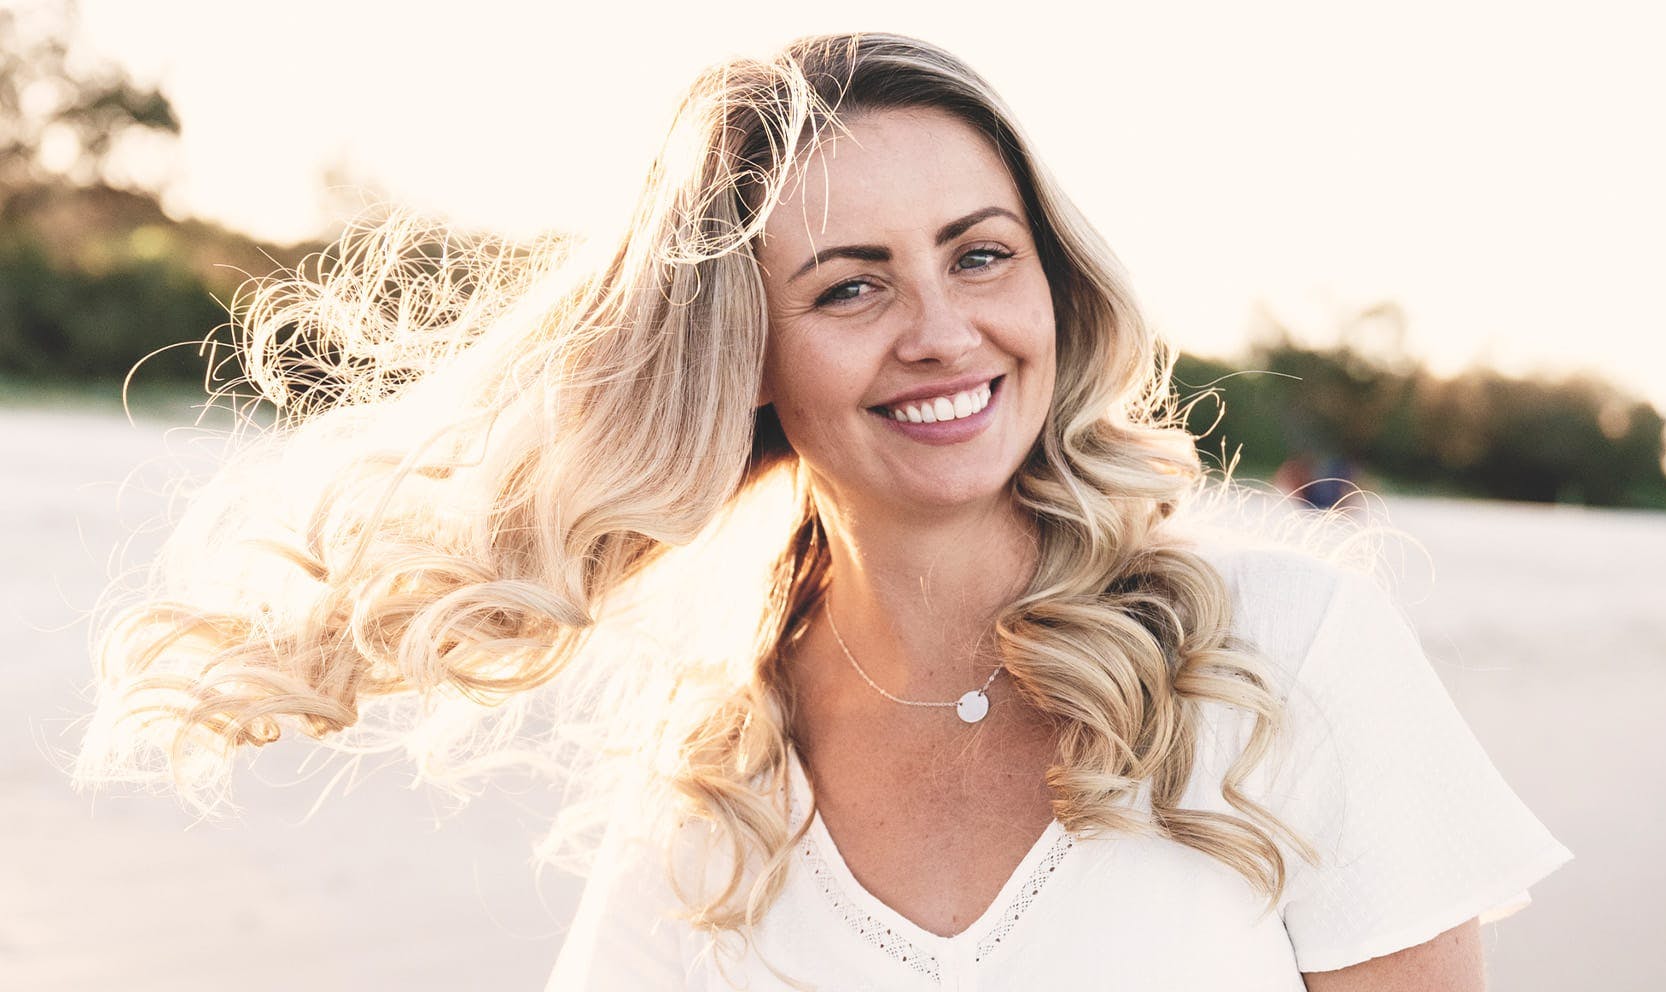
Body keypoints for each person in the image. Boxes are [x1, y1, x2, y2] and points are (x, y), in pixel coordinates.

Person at [73, 33, 1569, 992]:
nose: (940, 330)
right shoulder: (722, 767)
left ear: (1053, 282)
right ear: (749, 358)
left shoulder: (1286, 654)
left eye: (980, 255)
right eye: (850, 285)